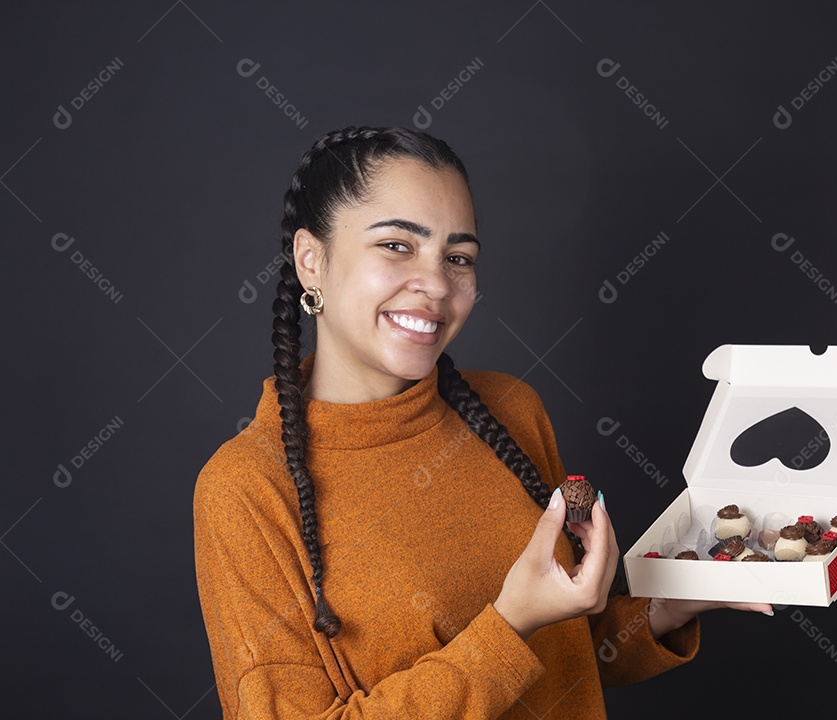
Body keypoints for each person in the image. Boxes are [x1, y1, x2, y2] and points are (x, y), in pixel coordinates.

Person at [193, 125, 771, 719]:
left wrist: (673, 602)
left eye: (458, 257)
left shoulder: (511, 410)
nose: (437, 285)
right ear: (312, 261)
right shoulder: (245, 490)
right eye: (396, 246)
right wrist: (509, 623)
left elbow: (570, 655)